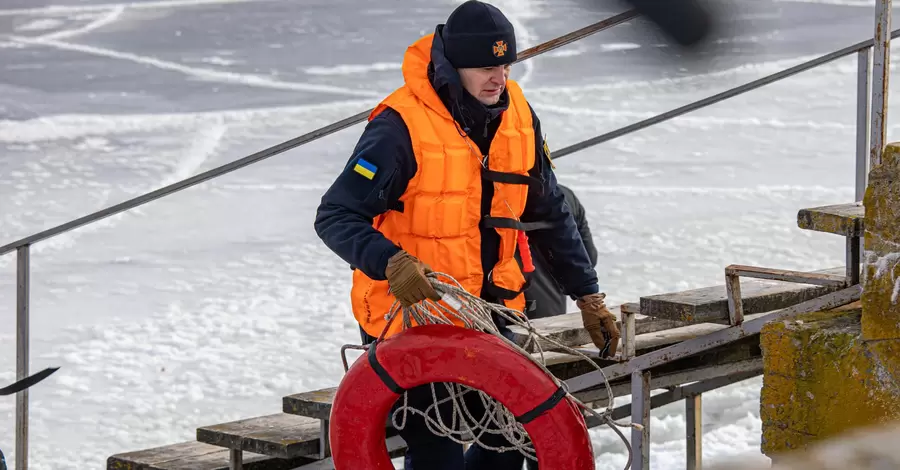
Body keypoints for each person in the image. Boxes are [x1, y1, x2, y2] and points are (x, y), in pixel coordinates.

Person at [313, 1, 620, 468]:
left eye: (504, 64)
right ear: (451, 68)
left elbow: (552, 212)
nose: (498, 77)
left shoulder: (518, 116)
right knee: (437, 453)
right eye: (484, 67)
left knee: (503, 447)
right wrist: (391, 263)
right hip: (413, 321)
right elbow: (335, 214)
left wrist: (588, 295)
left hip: (491, 317)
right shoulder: (400, 126)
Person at [523, 183, 598, 319]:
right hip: (552, 310)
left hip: (498, 309)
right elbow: (589, 259)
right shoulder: (565, 197)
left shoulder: (495, 195)